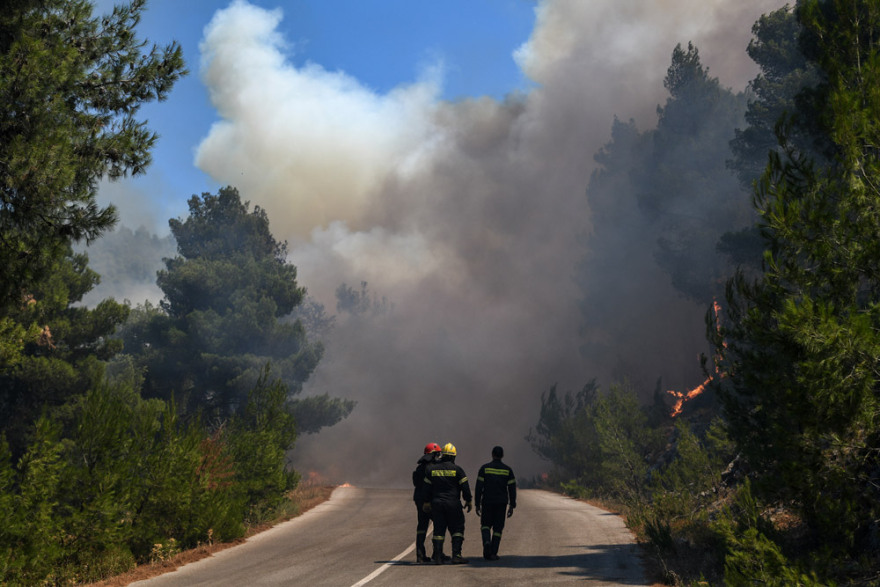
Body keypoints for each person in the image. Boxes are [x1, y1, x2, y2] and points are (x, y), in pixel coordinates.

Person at [422, 442, 472, 564]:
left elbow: (426, 488)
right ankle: (457, 555)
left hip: (437, 504)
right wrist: (468, 500)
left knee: (438, 530)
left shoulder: (432, 470)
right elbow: (465, 487)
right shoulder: (458, 470)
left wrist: (426, 502)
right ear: (453, 457)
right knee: (458, 529)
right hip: (453, 504)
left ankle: (438, 557)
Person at [474, 445, 517, 560]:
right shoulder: (508, 470)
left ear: (492, 455)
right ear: (502, 455)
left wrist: (477, 504)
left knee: (485, 525)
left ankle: (486, 541)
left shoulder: (484, 468)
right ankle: (493, 552)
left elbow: (478, 487)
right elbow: (512, 489)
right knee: (498, 529)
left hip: (487, 502)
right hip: (501, 503)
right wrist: (512, 505)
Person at [412, 442, 441, 563]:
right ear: (433, 455)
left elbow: (416, 483)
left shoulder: (419, 468)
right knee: (439, 525)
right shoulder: (433, 468)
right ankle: (437, 553)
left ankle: (420, 555)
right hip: (431, 500)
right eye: (437, 454)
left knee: (422, 526)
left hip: (419, 500)